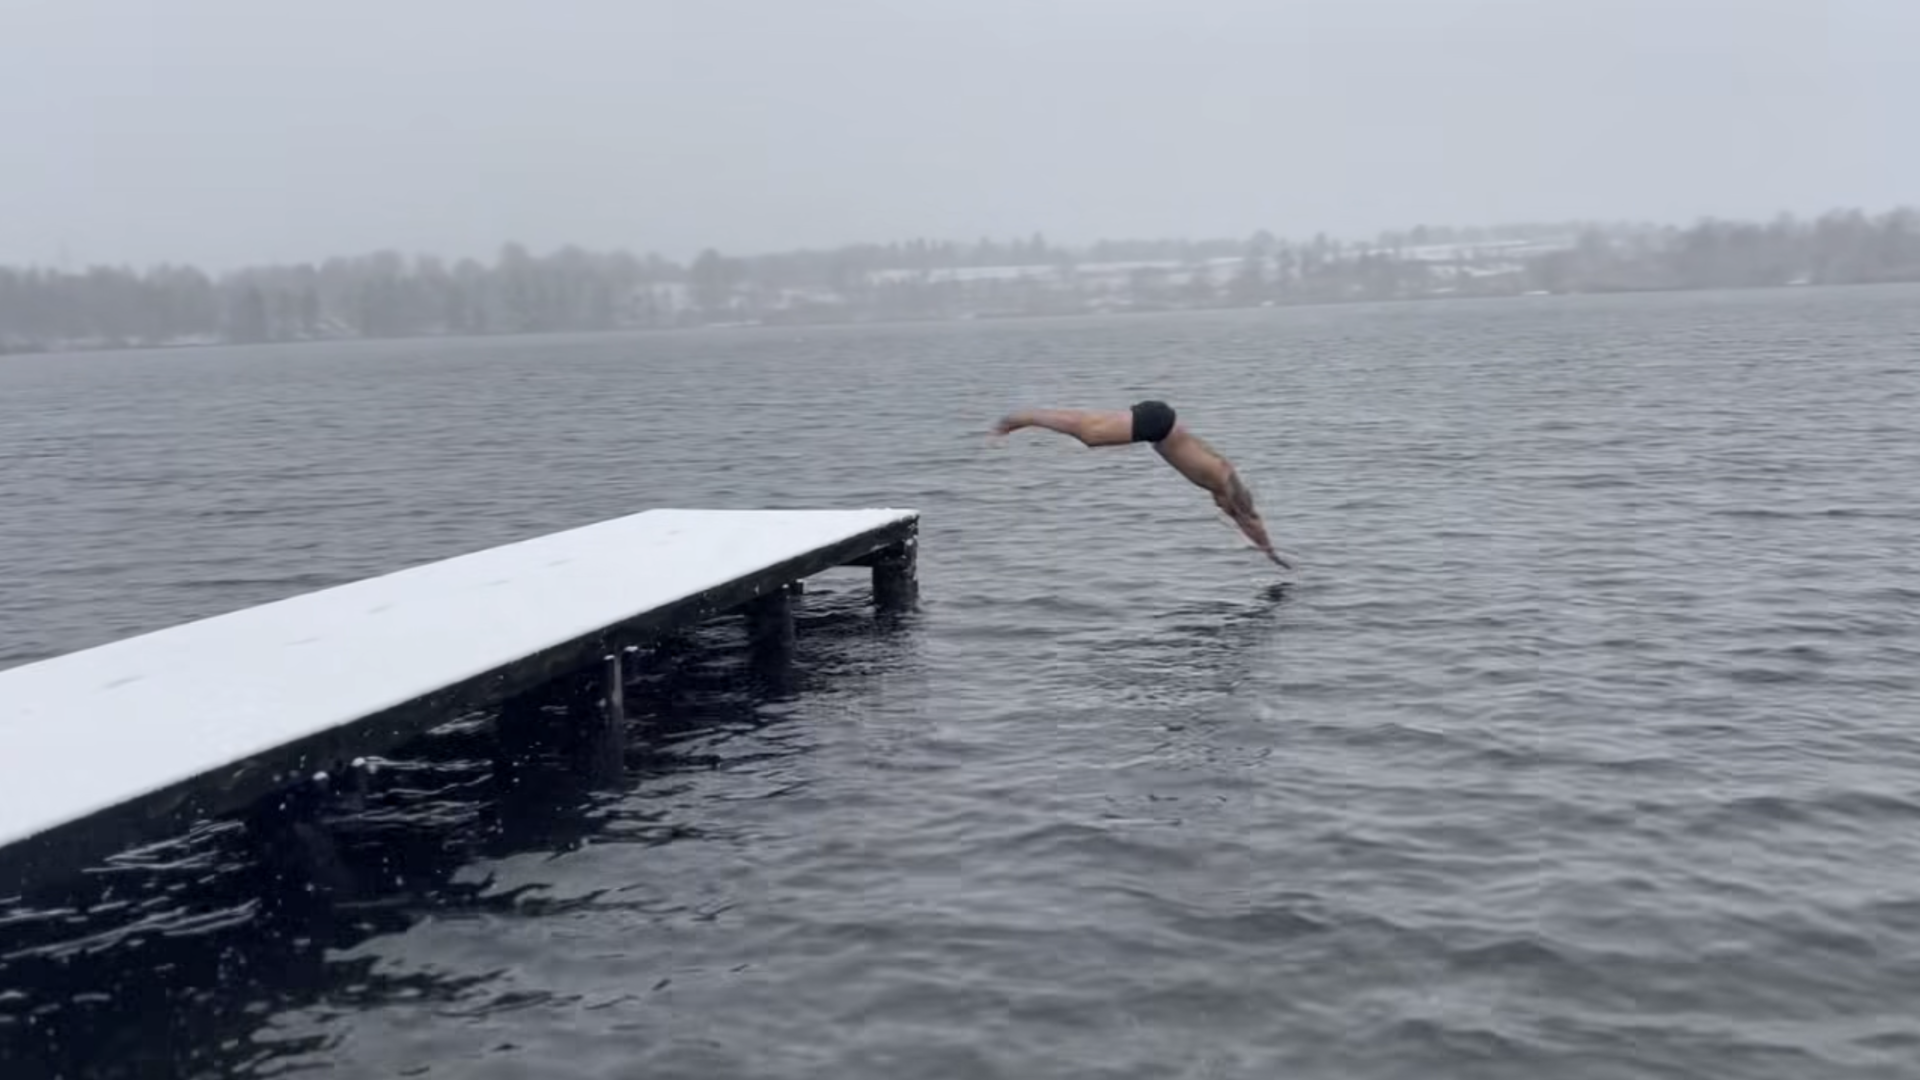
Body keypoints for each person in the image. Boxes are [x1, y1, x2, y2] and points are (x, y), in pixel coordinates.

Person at [991, 400, 1293, 569]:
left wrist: (1258, 543)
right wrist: (1271, 552)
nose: (1220, 509)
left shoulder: (1222, 484)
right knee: (1091, 434)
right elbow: (1250, 519)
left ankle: (1034, 415)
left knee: (1092, 428)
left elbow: (1241, 520)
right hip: (1160, 426)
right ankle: (1029, 416)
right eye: (1227, 509)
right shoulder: (1229, 487)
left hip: (1160, 423)